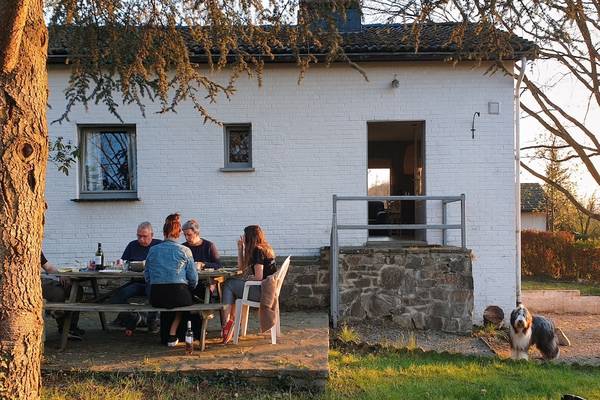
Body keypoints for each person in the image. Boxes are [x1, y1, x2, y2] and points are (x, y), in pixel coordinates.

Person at [145, 213, 198, 347]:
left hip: (157, 296)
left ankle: (168, 335)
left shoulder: (152, 250)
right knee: (183, 300)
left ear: (164, 233)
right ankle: (174, 334)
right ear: (179, 233)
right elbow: (193, 278)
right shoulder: (185, 250)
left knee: (170, 301)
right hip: (179, 294)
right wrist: (190, 288)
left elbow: (147, 277)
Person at [220, 225, 276, 344]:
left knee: (228, 284)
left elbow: (259, 277)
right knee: (233, 287)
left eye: (245, 235)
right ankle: (231, 322)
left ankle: (226, 324)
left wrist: (249, 278)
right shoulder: (266, 248)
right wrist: (240, 249)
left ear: (249, 237)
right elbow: (241, 268)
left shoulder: (258, 251)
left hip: (261, 292)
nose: (243, 237)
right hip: (268, 291)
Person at [109, 221, 162, 333]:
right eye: (139, 236)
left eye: (144, 236)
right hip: (136, 282)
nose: (141, 239)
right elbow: (123, 263)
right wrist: (122, 265)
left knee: (154, 295)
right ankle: (134, 316)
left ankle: (152, 321)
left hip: (153, 282)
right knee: (116, 297)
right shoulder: (132, 245)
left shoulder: (159, 245)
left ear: (152, 235)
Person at [41, 252, 85, 340]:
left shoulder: (35, 249)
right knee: (58, 292)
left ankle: (72, 326)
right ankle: (63, 327)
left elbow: (48, 267)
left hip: (48, 280)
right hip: (36, 282)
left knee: (77, 289)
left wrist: (61, 275)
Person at [182, 219, 221, 302]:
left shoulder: (209, 246)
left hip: (204, 281)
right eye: (185, 235)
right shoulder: (183, 247)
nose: (186, 238)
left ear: (196, 233)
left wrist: (203, 264)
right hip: (187, 281)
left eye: (189, 235)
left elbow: (218, 265)